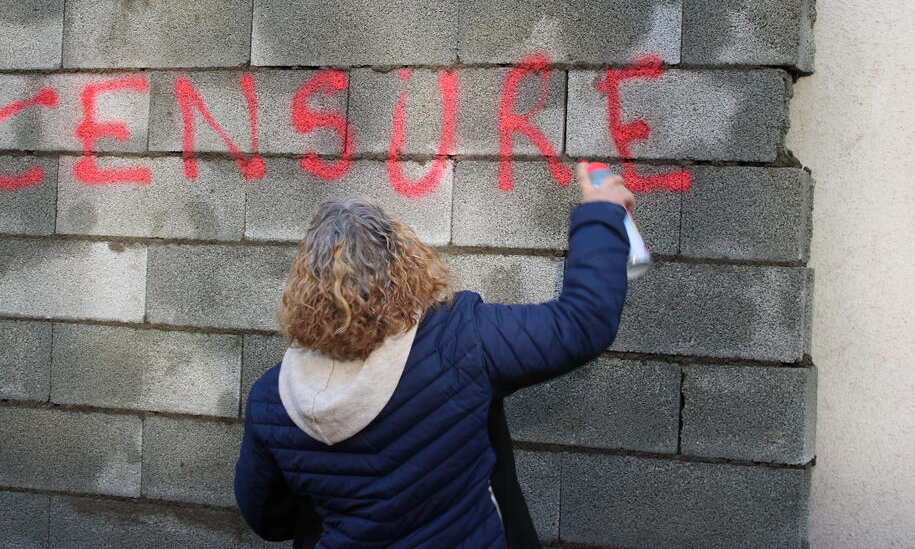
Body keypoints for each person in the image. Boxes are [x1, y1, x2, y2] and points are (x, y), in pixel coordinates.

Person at [235, 161, 634, 548]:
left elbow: (269, 518)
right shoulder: (460, 341)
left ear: (304, 287)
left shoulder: (272, 399)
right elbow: (582, 323)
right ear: (403, 263)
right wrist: (602, 213)